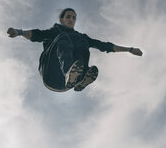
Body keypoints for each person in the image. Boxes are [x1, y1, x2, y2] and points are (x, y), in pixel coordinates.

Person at [7, 8, 143, 92]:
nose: (71, 20)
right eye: (68, 17)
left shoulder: (80, 36)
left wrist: (129, 49)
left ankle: (79, 80)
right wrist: (19, 32)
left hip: (65, 85)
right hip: (51, 73)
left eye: (73, 18)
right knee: (63, 36)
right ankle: (69, 72)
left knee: (82, 41)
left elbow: (104, 46)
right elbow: (38, 34)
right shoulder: (56, 31)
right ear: (62, 19)